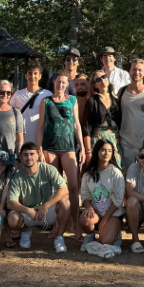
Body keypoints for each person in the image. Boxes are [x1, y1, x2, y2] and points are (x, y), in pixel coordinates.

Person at [37, 74, 85, 240]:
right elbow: (41, 125)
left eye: (64, 82)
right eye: (58, 82)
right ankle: (57, 224)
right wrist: (39, 148)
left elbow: (77, 124)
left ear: (66, 84)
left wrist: (82, 147)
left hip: (68, 146)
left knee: (73, 186)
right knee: (55, 188)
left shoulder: (72, 100)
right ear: (53, 83)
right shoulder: (45, 101)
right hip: (50, 146)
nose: (61, 84)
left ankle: (75, 224)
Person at [6, 142, 72, 253]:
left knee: (66, 203)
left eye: (32, 154)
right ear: (21, 157)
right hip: (28, 213)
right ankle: (26, 231)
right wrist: (27, 210)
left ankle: (59, 238)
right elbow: (10, 203)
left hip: (47, 211)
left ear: (38, 155)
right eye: (25, 155)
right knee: (12, 219)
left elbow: (64, 190)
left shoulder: (49, 169)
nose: (29, 158)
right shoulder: (17, 176)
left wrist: (46, 205)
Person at [78, 139, 126, 247]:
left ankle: (116, 231)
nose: (106, 153)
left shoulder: (116, 173)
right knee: (84, 220)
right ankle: (90, 235)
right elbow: (85, 195)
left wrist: (105, 219)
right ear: (97, 152)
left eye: (109, 151)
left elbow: (118, 200)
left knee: (105, 241)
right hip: (96, 212)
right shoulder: (88, 174)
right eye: (103, 150)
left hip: (113, 214)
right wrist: (89, 208)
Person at [116, 58, 144, 170]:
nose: (137, 72)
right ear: (130, 71)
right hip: (125, 143)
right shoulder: (122, 91)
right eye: (134, 69)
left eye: (140, 70)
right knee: (128, 176)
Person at [10, 62, 52, 154]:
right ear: (26, 76)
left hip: (41, 142)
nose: (32, 76)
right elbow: (9, 114)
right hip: (22, 140)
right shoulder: (17, 95)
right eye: (30, 73)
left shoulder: (48, 95)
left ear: (40, 76)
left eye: (35, 73)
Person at [83, 70, 120, 167]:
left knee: (117, 169)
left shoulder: (116, 100)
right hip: (98, 140)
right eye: (98, 79)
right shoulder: (92, 102)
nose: (102, 80)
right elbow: (86, 127)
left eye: (104, 76)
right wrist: (88, 151)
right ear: (95, 85)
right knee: (99, 169)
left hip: (115, 141)